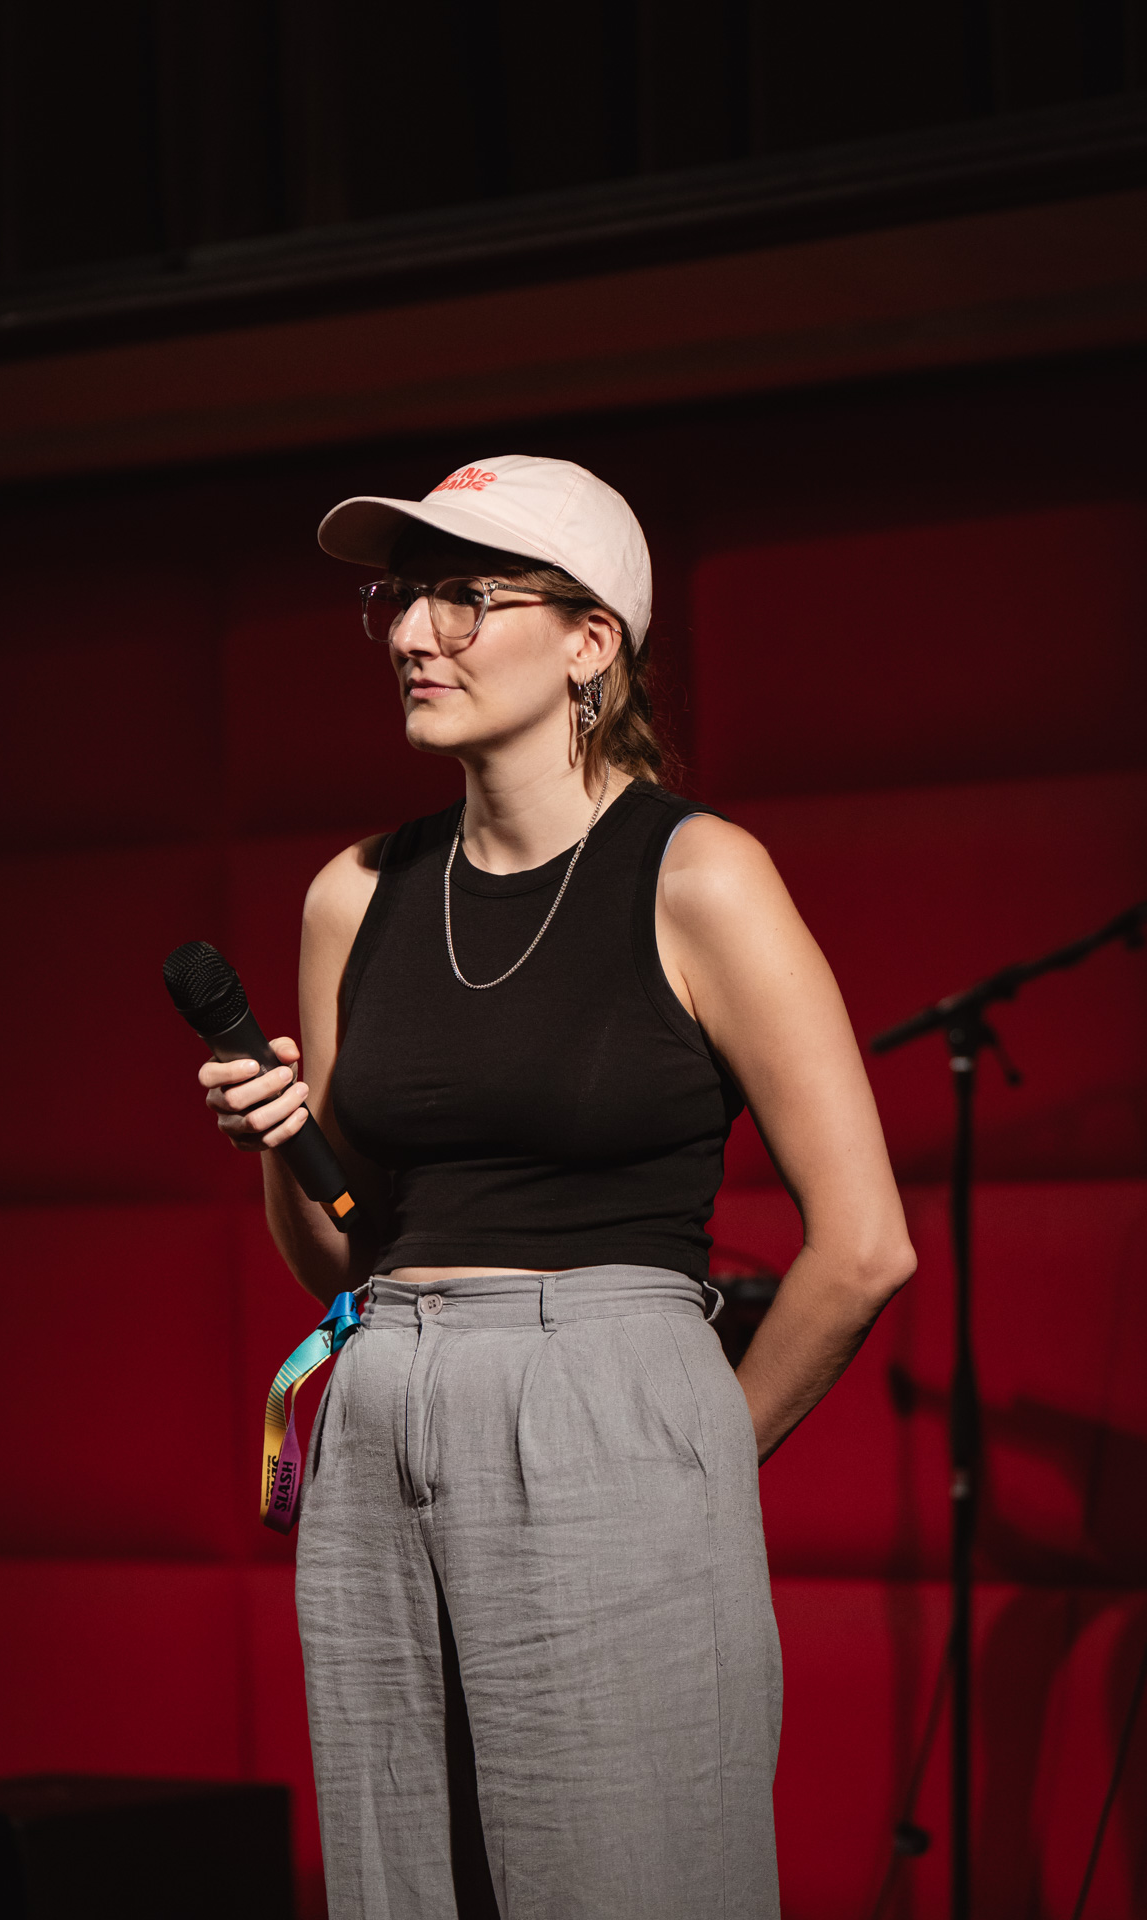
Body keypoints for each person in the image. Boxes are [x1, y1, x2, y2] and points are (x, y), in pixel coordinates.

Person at [198, 455, 916, 1920]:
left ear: (591, 641)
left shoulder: (701, 875)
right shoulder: (354, 893)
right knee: (404, 1882)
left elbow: (864, 1248)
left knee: (634, 1882)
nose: (414, 634)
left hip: (608, 1395)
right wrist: (283, 1141)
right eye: (402, 599)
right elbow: (343, 1257)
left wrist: (691, 1457)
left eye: (467, 597)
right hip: (379, 1404)